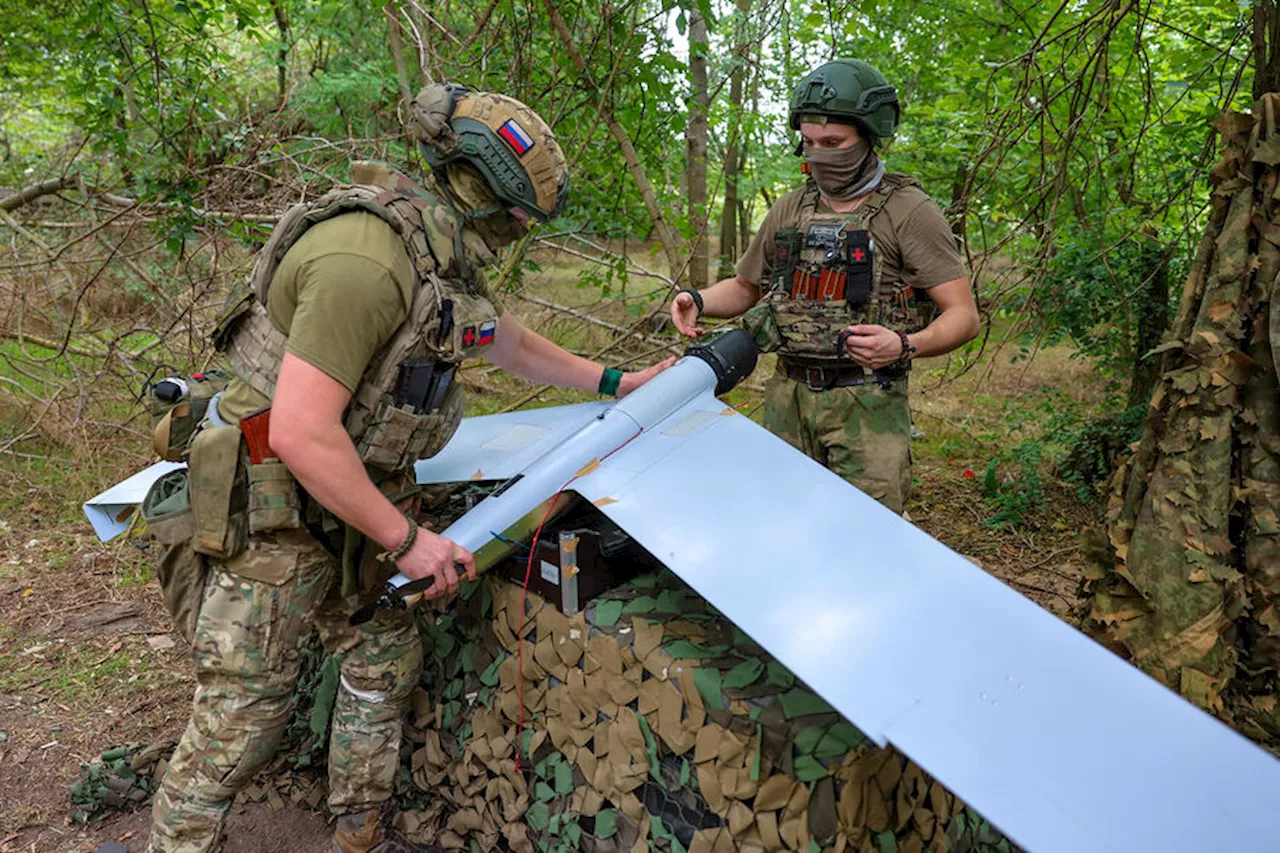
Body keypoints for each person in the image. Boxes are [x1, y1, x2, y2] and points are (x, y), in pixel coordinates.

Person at [147, 85, 671, 853]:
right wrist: (409, 542)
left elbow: (502, 340)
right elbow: (299, 429)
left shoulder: (438, 249)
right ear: (487, 191)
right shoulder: (365, 259)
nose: (523, 229)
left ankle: (356, 825)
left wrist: (613, 383)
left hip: (354, 499)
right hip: (275, 506)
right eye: (521, 214)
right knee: (245, 709)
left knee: (383, 659)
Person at [669, 58, 979, 514]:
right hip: (787, 399)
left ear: (869, 136)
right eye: (810, 143)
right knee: (779, 523)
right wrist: (697, 300)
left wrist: (905, 345)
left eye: (834, 143)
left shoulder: (909, 211)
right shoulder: (791, 208)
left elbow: (964, 316)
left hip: (867, 404)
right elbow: (746, 287)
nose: (819, 155)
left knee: (864, 535)